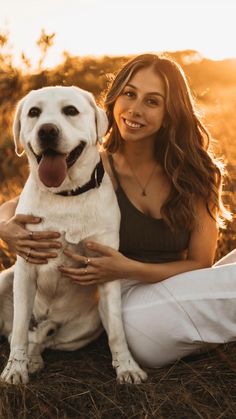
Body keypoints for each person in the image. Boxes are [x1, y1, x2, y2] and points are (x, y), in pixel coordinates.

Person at [0, 53, 236, 368]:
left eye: (153, 101)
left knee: (164, 319)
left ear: (170, 113)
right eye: (129, 93)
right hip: (122, 300)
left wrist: (127, 267)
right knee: (144, 334)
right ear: (114, 99)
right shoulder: (92, 167)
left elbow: (201, 263)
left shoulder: (195, 172)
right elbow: (15, 207)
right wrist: (6, 229)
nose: (135, 109)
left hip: (179, 285)